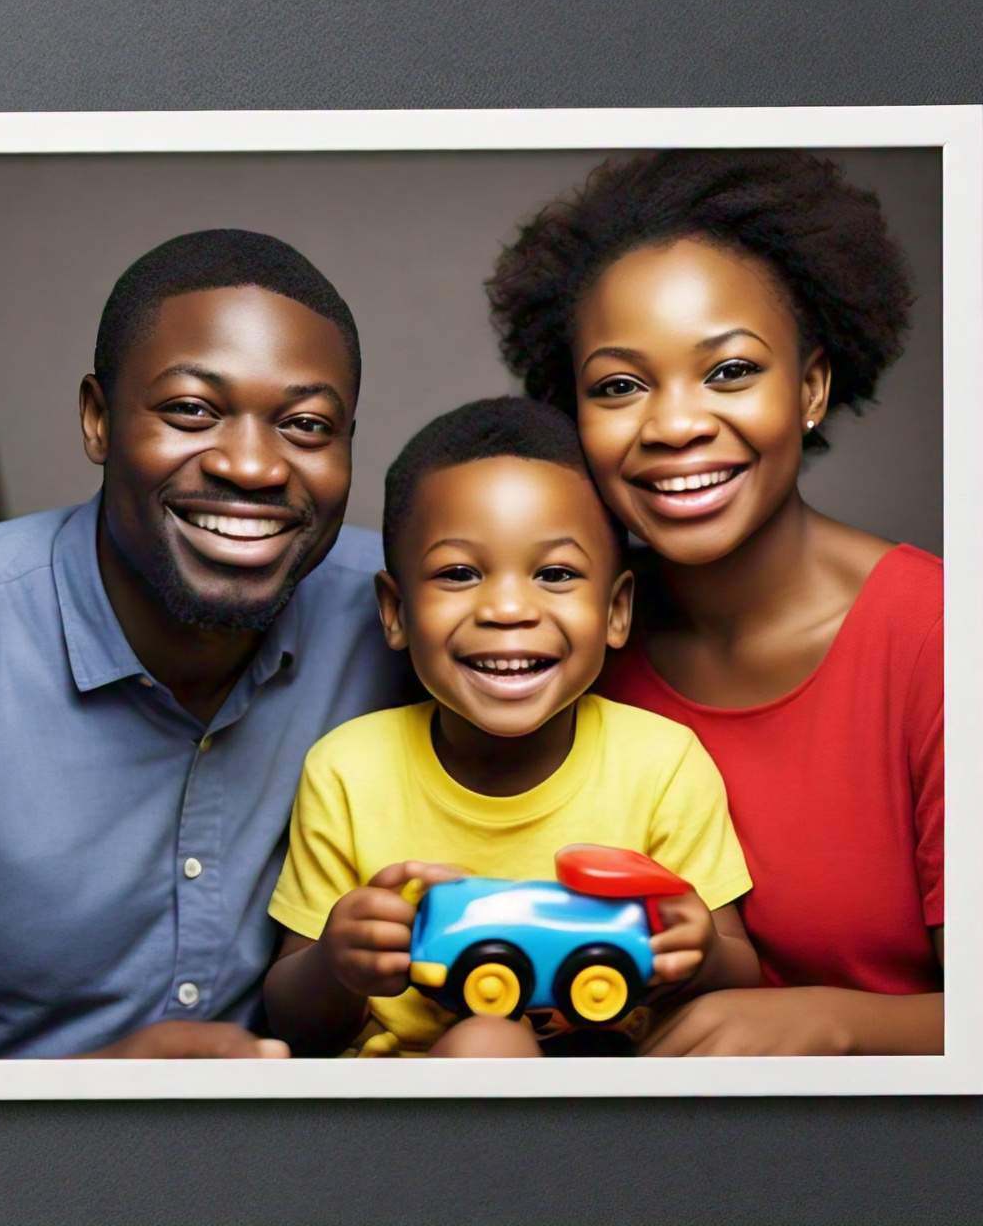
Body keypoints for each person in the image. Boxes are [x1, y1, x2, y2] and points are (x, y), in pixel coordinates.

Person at [0, 229, 417, 1060]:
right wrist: (85, 1097)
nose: (253, 465)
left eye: (307, 425)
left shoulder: (414, 618)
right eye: (191, 410)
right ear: (99, 419)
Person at [487, 150, 943, 1055]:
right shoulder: (558, 643)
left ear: (810, 387)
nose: (675, 424)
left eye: (729, 371)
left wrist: (833, 1024)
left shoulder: (940, 637)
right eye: (619, 386)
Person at [263, 398, 758, 1058]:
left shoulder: (662, 764)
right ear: (395, 611)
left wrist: (703, 956)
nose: (506, 609)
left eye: (554, 574)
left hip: (617, 1124)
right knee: (487, 1043)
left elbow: (741, 980)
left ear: (616, 612)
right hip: (414, 1122)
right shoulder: (349, 769)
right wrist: (335, 963)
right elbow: (294, 1024)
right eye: (459, 574)